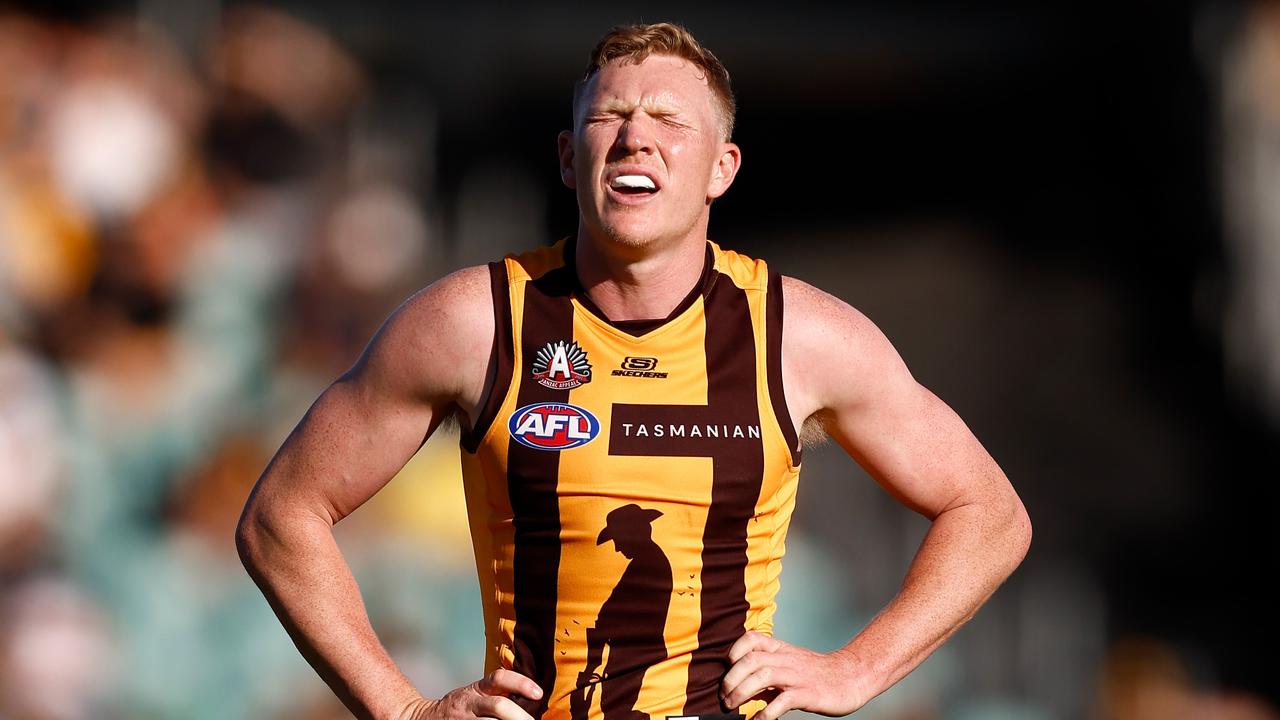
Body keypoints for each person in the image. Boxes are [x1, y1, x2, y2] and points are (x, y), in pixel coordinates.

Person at [236, 22, 1032, 720]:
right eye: (609, 116)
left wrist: (859, 668)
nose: (635, 138)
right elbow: (281, 517)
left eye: (668, 120)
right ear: (568, 158)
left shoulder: (801, 337)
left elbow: (989, 515)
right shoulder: (473, 323)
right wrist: (402, 707)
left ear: (722, 168)